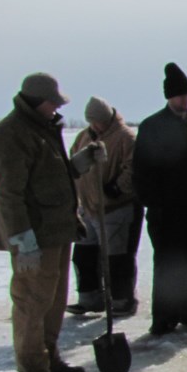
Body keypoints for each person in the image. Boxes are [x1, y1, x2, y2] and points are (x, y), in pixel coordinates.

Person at [0, 73, 106, 372]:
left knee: (53, 302)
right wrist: (21, 239)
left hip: (57, 231)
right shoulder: (11, 134)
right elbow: (9, 194)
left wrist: (80, 163)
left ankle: (49, 361)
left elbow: (52, 174)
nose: (57, 107)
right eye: (53, 102)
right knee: (32, 304)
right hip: (34, 237)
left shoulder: (43, 128)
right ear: (37, 101)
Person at [132, 63, 187, 336]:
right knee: (168, 262)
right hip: (165, 210)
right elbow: (141, 170)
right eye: (180, 96)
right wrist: (153, 202)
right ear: (169, 97)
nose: (185, 100)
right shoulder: (152, 126)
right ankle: (165, 317)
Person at [66, 96, 140, 317]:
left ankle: (121, 299)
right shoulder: (83, 137)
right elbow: (72, 164)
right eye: (92, 122)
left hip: (115, 207)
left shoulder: (125, 137)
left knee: (116, 258)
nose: (96, 126)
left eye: (99, 121)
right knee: (84, 255)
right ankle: (89, 298)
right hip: (87, 207)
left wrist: (117, 187)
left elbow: (134, 167)